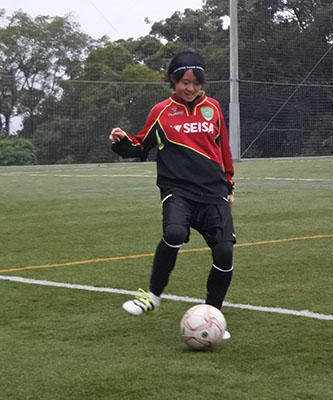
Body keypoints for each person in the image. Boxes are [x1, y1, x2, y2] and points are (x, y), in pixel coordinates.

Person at [109, 50, 236, 338]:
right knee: (175, 233)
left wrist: (229, 187)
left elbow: (223, 149)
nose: (190, 88)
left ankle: (213, 314)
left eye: (196, 82)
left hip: (213, 191)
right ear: (173, 81)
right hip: (178, 191)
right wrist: (121, 141)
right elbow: (141, 145)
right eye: (184, 82)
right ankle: (152, 297)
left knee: (224, 252)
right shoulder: (161, 111)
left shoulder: (213, 108)